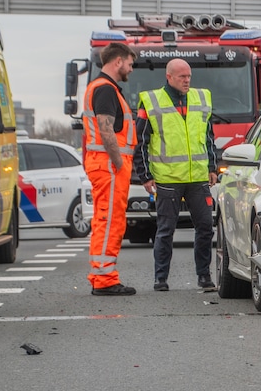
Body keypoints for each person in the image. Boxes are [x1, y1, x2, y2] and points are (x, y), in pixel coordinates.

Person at [133, 58, 219, 293]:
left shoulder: (201, 98)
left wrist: (212, 166)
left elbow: (208, 136)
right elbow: (140, 142)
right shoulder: (151, 102)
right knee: (165, 230)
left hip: (198, 178)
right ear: (169, 77)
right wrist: (145, 176)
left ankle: (204, 277)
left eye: (189, 76)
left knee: (205, 228)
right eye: (182, 76)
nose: (187, 80)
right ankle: (161, 278)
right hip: (168, 179)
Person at [83, 42, 140, 296]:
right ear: (118, 62)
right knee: (110, 222)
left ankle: (100, 275)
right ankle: (105, 279)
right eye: (129, 63)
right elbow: (106, 129)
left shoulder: (102, 88)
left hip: (104, 164)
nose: (130, 69)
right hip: (109, 165)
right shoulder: (106, 89)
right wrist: (118, 162)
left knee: (104, 220)